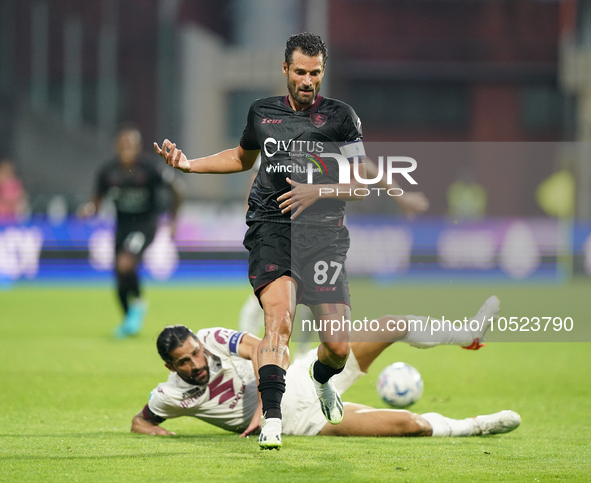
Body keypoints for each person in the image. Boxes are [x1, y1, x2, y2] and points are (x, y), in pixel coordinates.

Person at [155, 32, 427, 449]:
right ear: (285, 69)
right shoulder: (261, 113)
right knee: (278, 322)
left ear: (323, 71)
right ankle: (274, 421)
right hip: (271, 228)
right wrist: (190, 165)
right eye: (300, 72)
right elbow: (242, 158)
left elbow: (359, 183)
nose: (307, 80)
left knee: (336, 347)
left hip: (323, 237)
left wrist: (317, 191)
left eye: (315, 73)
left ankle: (322, 381)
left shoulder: (341, 118)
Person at [130, 315, 520, 446]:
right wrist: (160, 434)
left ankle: (467, 334)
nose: (197, 363)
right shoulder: (170, 396)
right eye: (185, 361)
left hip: (302, 377)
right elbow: (141, 421)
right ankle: (477, 427)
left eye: (196, 352)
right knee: (408, 424)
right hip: (304, 421)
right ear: (171, 365)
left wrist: (266, 411)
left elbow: (262, 350)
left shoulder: (214, 340)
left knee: (393, 326)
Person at [81, 124, 183, 338]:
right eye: (123, 144)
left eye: (132, 144)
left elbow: (178, 190)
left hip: (145, 225)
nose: (127, 148)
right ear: (116, 146)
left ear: (138, 147)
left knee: (125, 262)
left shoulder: (150, 168)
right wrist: (90, 209)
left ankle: (137, 305)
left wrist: (173, 220)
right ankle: (130, 317)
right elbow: (97, 200)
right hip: (122, 226)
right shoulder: (107, 171)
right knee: (119, 274)